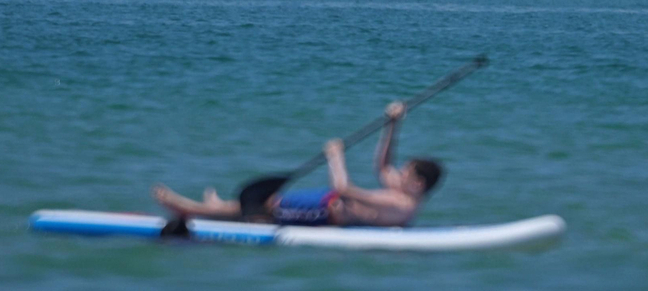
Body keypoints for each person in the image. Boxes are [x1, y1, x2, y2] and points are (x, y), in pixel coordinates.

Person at [153, 102, 442, 227]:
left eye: (405, 172)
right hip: (322, 204)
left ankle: (194, 211)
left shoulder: (401, 204)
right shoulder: (404, 194)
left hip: (322, 213)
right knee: (269, 202)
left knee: (268, 208)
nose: (398, 173)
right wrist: (392, 125)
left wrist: (336, 156)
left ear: (417, 183)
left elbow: (343, 188)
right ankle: (215, 209)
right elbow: (382, 166)